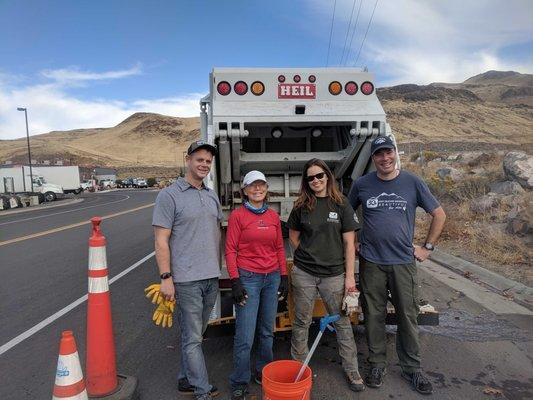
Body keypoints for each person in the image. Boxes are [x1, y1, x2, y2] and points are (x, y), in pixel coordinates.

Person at [348, 135, 446, 395]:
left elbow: (439, 214)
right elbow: (348, 216)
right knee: (373, 317)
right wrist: (356, 240)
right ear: (373, 159)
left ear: (395, 153)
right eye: (379, 154)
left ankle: (412, 368)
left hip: (403, 263)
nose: (385, 158)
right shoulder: (362, 184)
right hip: (372, 263)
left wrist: (427, 248)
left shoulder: (412, 182)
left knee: (407, 316)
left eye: (388, 152)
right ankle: (377, 364)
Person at [287, 158, 365, 393]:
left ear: (328, 176)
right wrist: (307, 254)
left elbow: (350, 244)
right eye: (310, 177)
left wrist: (350, 277)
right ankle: (297, 371)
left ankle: (353, 371)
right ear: (306, 181)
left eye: (319, 175)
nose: (315, 181)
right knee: (301, 322)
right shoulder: (302, 205)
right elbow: (293, 235)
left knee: (341, 322)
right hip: (304, 274)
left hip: (334, 276)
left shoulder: (341, 204)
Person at [152, 140, 222, 400]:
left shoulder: (210, 194)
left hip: (210, 277)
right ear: (188, 160)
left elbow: (216, 233)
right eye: (199, 159)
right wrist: (166, 277)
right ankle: (202, 391)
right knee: (193, 338)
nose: (204, 164)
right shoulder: (169, 196)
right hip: (186, 280)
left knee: (196, 334)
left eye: (208, 161)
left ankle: (185, 378)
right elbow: (161, 240)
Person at [225, 170, 288, 400]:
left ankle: (263, 371)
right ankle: (239, 381)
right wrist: (235, 280)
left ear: (266, 189)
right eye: (253, 186)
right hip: (248, 279)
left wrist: (283, 276)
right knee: (245, 334)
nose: (258, 189)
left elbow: (279, 248)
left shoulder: (272, 216)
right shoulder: (237, 216)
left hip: (271, 278)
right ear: (245, 190)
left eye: (261, 185)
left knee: (266, 331)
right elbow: (230, 250)